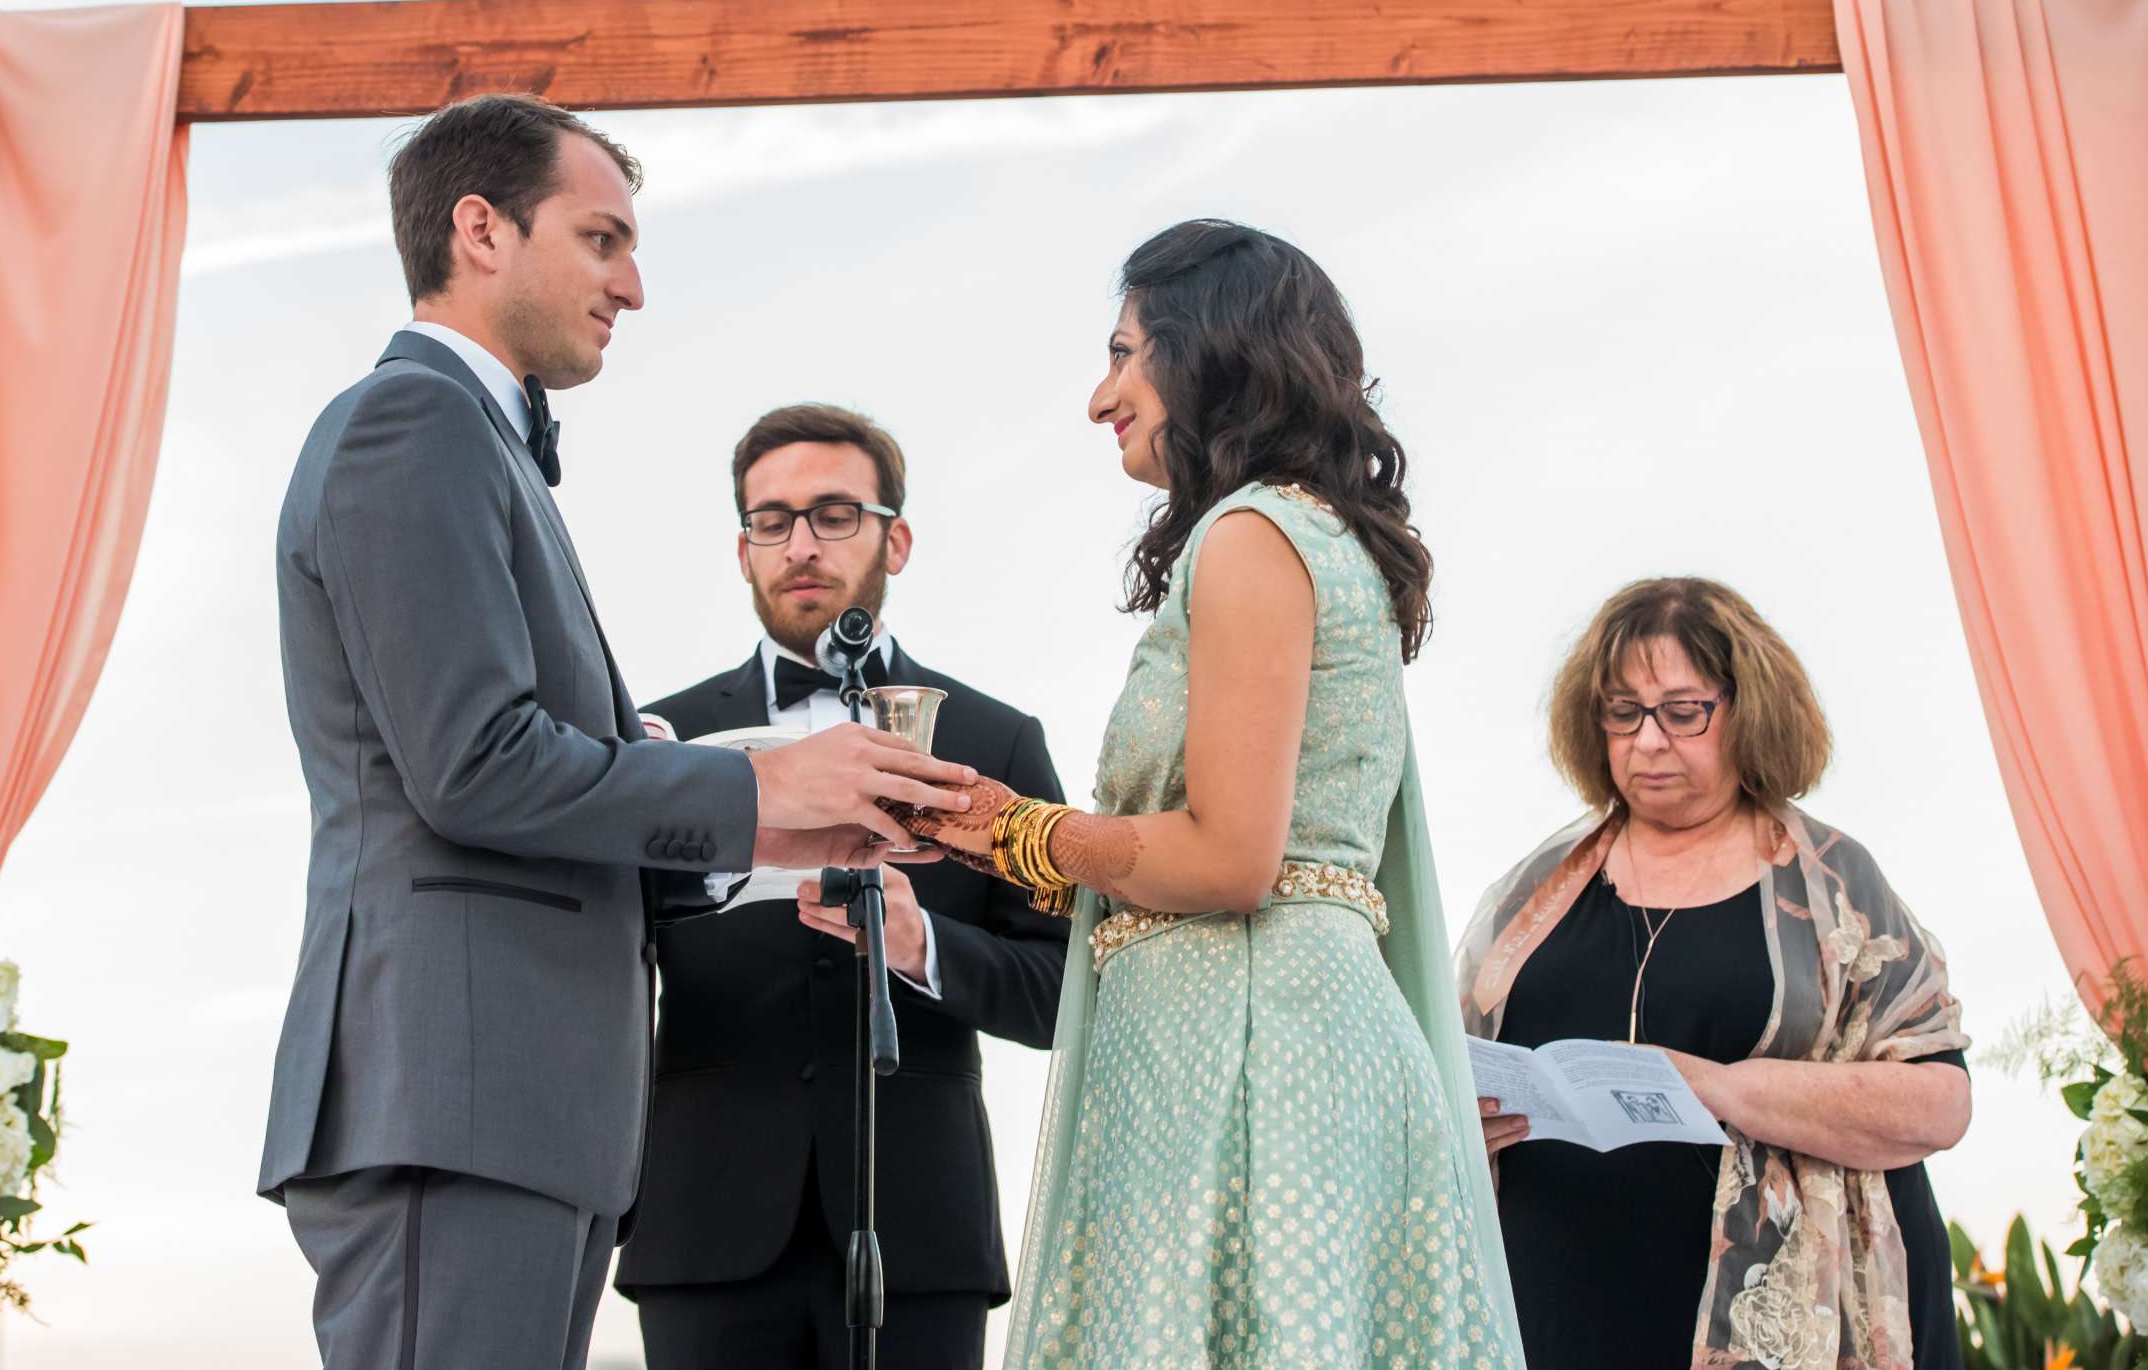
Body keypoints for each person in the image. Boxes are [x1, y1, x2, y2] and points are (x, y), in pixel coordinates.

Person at [256, 94, 973, 1370]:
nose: (633, 285)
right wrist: (761, 786)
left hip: (523, 1106)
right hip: (457, 1092)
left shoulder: (476, 442)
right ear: (481, 230)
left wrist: (784, 813)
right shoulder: (411, 424)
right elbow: (474, 766)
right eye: (601, 240)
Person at [898, 219, 1522, 1369]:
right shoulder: (1317, 537)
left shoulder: (1249, 536)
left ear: (1210, 354)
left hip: (1247, 1049)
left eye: (1126, 352)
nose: (1101, 396)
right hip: (1283, 1032)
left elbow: (1233, 857)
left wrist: (1015, 830)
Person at [616, 403, 1070, 1370]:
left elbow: (1071, 992)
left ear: (894, 538)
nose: (799, 545)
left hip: (922, 1231)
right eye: (770, 521)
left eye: (833, 514)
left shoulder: (998, 741)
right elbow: (602, 952)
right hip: (702, 1223)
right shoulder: (657, 740)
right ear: (743, 552)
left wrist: (921, 946)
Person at [1457, 577, 1970, 1370]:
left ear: (1749, 710)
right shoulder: (1533, 892)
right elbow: (1446, 1059)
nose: (1649, 741)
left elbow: (1939, 1105)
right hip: (1556, 1313)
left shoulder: (1833, 884)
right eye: (1622, 712)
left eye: (1682, 711)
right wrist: (1466, 1119)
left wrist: (1719, 1087)